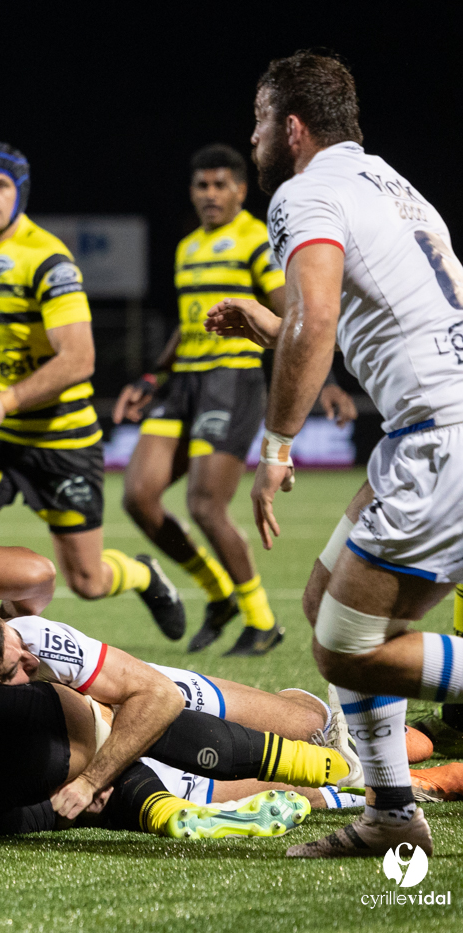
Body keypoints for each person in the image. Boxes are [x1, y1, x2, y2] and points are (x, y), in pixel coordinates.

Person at [204, 50, 463, 857]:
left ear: (291, 126)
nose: (250, 139)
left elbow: (318, 322)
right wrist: (272, 326)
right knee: (327, 601)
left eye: (256, 120)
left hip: (439, 436)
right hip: (428, 431)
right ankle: (390, 809)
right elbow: (353, 325)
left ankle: (390, 803)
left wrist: (276, 444)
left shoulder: (304, 192)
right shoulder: (388, 182)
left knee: (345, 645)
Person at [0, 532, 353, 840]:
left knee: (95, 781)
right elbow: (34, 574)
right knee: (293, 722)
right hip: (75, 720)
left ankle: (165, 803)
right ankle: (339, 777)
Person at [0, 144, 185, 641]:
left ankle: (143, 572)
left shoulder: (48, 260)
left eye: (1, 186)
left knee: (88, 580)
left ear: (20, 192)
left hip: (60, 439)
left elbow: (80, 358)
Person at [114, 144, 357, 656]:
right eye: (201, 185)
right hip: (183, 384)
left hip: (232, 380)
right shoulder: (187, 248)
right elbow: (189, 323)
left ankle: (262, 621)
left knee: (204, 504)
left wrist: (327, 379)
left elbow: (291, 318)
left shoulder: (253, 240)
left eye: (220, 184)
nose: (209, 194)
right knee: (138, 497)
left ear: (241, 190)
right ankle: (217, 593)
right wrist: (153, 376)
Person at [0, 606, 380, 813]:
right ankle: (390, 780)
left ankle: (339, 719)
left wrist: (92, 780)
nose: (31, 661)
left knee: (311, 727)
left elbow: (159, 697)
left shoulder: (37, 640)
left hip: (150, 695)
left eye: (16, 645)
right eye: (13, 671)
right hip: (121, 753)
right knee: (305, 785)